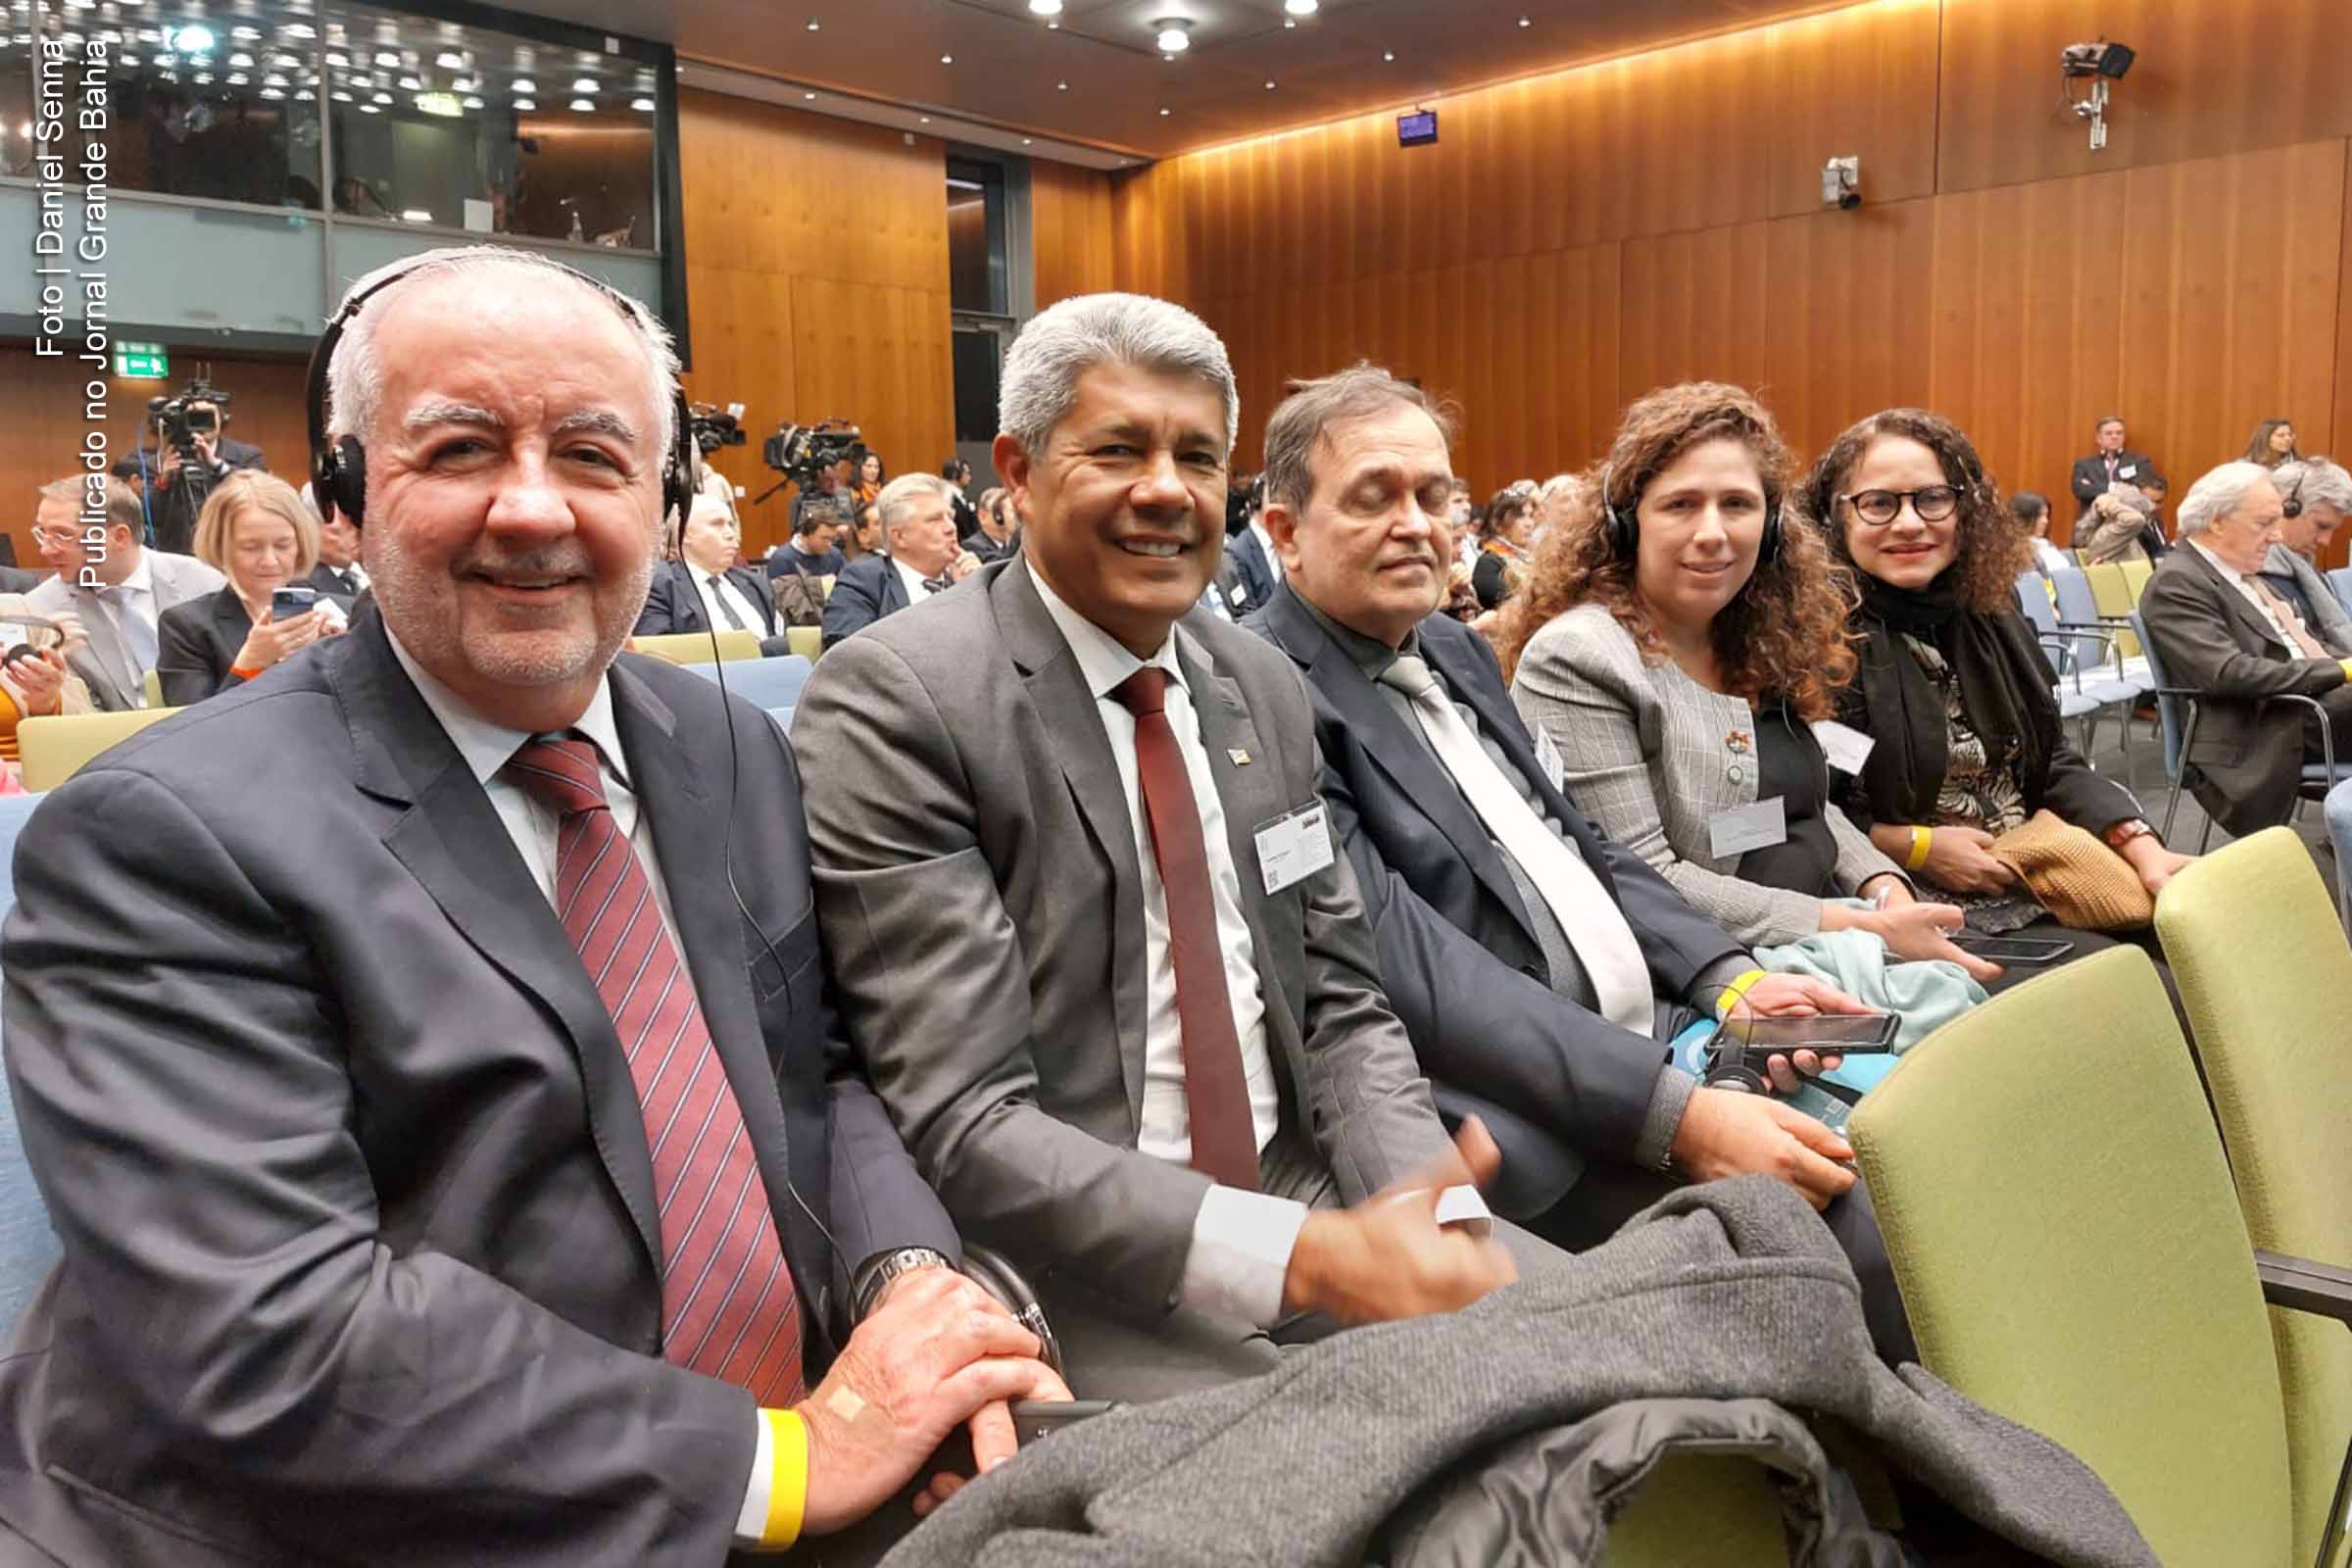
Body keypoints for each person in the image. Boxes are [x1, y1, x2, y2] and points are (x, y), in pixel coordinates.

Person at [0, 244, 1065, 1566]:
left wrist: (905, 1286)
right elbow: (275, 1332)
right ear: (347, 497)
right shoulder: (161, 833)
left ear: (662, 500)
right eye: (459, 450)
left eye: (592, 456)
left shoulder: (728, 746)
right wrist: (789, 1461)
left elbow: (821, 1072)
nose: (531, 508)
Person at [792, 295, 1525, 1404]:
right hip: (1091, 1269)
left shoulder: (1261, 684)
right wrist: (1305, 1257)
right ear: (1018, 474)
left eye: (1197, 457)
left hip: (1313, 1198)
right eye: (1119, 450)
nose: (1167, 490)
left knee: (1615, 1375)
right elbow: (968, 1120)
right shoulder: (902, 699)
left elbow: (1338, 1004)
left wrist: (1431, 1209)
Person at [1240, 367, 1910, 1358]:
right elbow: (1411, 967)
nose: (1415, 525)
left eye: (1433, 495)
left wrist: (1727, 977)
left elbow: (1583, 845)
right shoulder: (1264, 691)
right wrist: (1678, 1115)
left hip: (1661, 1030)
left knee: (1914, 1140)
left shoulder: (1455, 649)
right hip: (1531, 1102)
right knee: (1846, 1234)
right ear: (1286, 531)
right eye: (1374, 497)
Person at [1497, 382, 1997, 985]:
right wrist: (1855, 925)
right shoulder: (1580, 657)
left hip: (1834, 933)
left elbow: (1805, 807)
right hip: (1716, 974)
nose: (1713, 531)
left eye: (1737, 504)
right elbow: (1643, 881)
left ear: (1772, 525)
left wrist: (1883, 884)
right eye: (1681, 505)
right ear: (1626, 524)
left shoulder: (1756, 635)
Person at [1803, 409, 2192, 964]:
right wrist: (1916, 847)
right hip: (1910, 896)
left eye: (1932, 499)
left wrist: (2136, 840)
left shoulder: (1990, 613)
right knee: (2141, 988)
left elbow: (2048, 759)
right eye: (1879, 503)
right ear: (1836, 517)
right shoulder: (1809, 639)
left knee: (2204, 950)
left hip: (2030, 863)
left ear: (1966, 511)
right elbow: (1803, 807)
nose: (1909, 523)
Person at [2139, 461, 2352, 839]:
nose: (2276, 536)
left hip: (2301, 707)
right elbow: (2227, 673)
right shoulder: (2177, 581)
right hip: (2260, 729)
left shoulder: (2240, 575)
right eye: (2264, 523)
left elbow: (2298, 647)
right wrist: (2341, 671)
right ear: (2218, 522)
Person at [26, 474, 225, 709]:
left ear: (119, 537)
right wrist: (52, 696)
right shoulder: (40, 611)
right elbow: (69, 714)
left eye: (63, 535)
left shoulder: (204, 583)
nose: (46, 549)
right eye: (42, 533)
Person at [155, 470, 353, 707]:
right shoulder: (186, 628)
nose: (270, 560)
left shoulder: (346, 611)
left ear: (300, 544)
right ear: (220, 547)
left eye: (283, 545)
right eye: (250, 547)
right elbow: (191, 723)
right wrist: (250, 663)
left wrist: (348, 655)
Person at [819, 473, 979, 651]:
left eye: (950, 517)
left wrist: (973, 594)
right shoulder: (862, 581)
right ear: (900, 536)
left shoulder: (967, 584)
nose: (951, 528)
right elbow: (848, 653)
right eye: (934, 519)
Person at [634, 491, 790, 654]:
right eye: (717, 524)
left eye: (731, 524)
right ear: (683, 533)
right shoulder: (659, 585)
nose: (731, 534)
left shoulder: (755, 583)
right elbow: (656, 655)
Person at [2257, 458, 2352, 648]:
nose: (2325, 541)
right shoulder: (2253, 574)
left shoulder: (2305, 569)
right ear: (2287, 507)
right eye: (2321, 526)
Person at [2068, 415, 2160, 520]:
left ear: (2124, 437)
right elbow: (2080, 490)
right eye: (2108, 433)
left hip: (2130, 522)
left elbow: (2142, 492)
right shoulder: (2084, 465)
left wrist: (2095, 487)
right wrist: (2114, 487)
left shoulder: (2140, 462)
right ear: (2098, 438)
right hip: (2094, 523)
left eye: (2119, 433)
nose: (2114, 437)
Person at [1472, 485, 1537, 612]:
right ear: (1497, 523)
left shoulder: (1533, 555)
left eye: (1530, 515)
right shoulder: (1488, 562)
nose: (1529, 523)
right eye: (1520, 516)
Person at [2077, 485, 2157, 565]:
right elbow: (2136, 519)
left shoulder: (2124, 533)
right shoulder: (2107, 535)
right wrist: (2109, 505)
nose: (2146, 517)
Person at [307, 508, 370, 600]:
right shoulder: (300, 584)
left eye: (354, 528)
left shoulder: (377, 566)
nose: (354, 537)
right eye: (336, 532)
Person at [2012, 490, 2070, 575]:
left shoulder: (2047, 544)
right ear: (2023, 517)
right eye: (2039, 516)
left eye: (2046, 515)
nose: (2045, 521)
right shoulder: (2015, 552)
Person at [962, 487, 1020, 565]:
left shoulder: (1010, 544)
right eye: (997, 511)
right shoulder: (972, 545)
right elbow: (1001, 567)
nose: (1015, 517)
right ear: (983, 516)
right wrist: (1015, 534)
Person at [943, 457, 980, 539]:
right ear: (955, 475)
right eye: (966, 473)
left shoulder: (963, 498)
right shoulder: (946, 498)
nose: (970, 477)